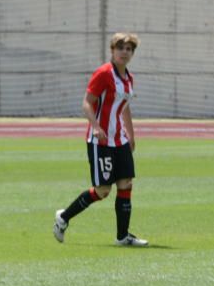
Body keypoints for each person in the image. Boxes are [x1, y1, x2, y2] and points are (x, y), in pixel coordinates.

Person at [53, 32, 148, 247]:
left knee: (126, 184)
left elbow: (125, 108)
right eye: (121, 48)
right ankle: (63, 217)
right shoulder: (103, 73)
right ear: (113, 50)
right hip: (101, 141)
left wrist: (131, 135)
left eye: (129, 49)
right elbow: (87, 103)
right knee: (103, 190)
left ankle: (123, 237)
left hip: (120, 140)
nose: (125, 52)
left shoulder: (128, 78)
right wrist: (95, 127)